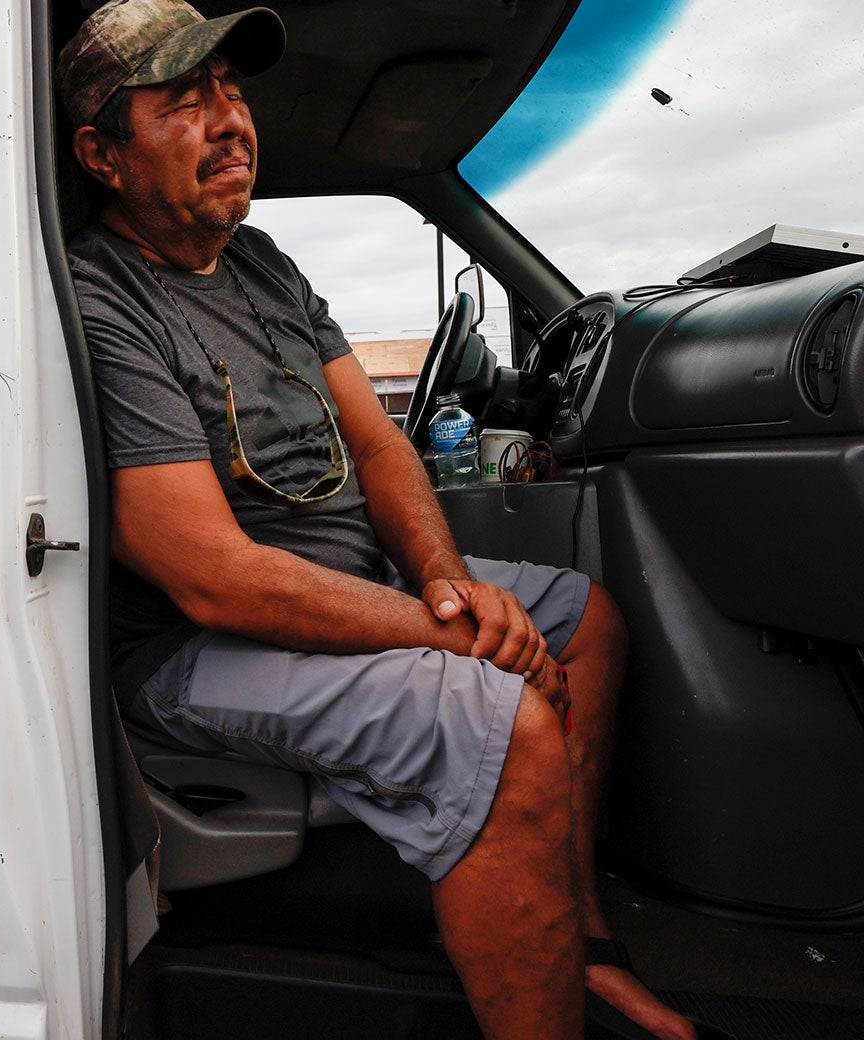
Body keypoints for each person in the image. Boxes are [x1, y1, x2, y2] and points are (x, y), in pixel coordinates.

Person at [58, 2, 700, 1039]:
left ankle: (578, 945)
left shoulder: (263, 262)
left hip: (342, 587)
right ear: (103, 155)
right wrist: (460, 633)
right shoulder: (100, 301)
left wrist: (446, 584)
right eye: (182, 101)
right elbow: (216, 579)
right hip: (193, 646)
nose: (229, 119)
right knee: (500, 712)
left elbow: (379, 445)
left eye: (230, 90)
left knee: (585, 618)